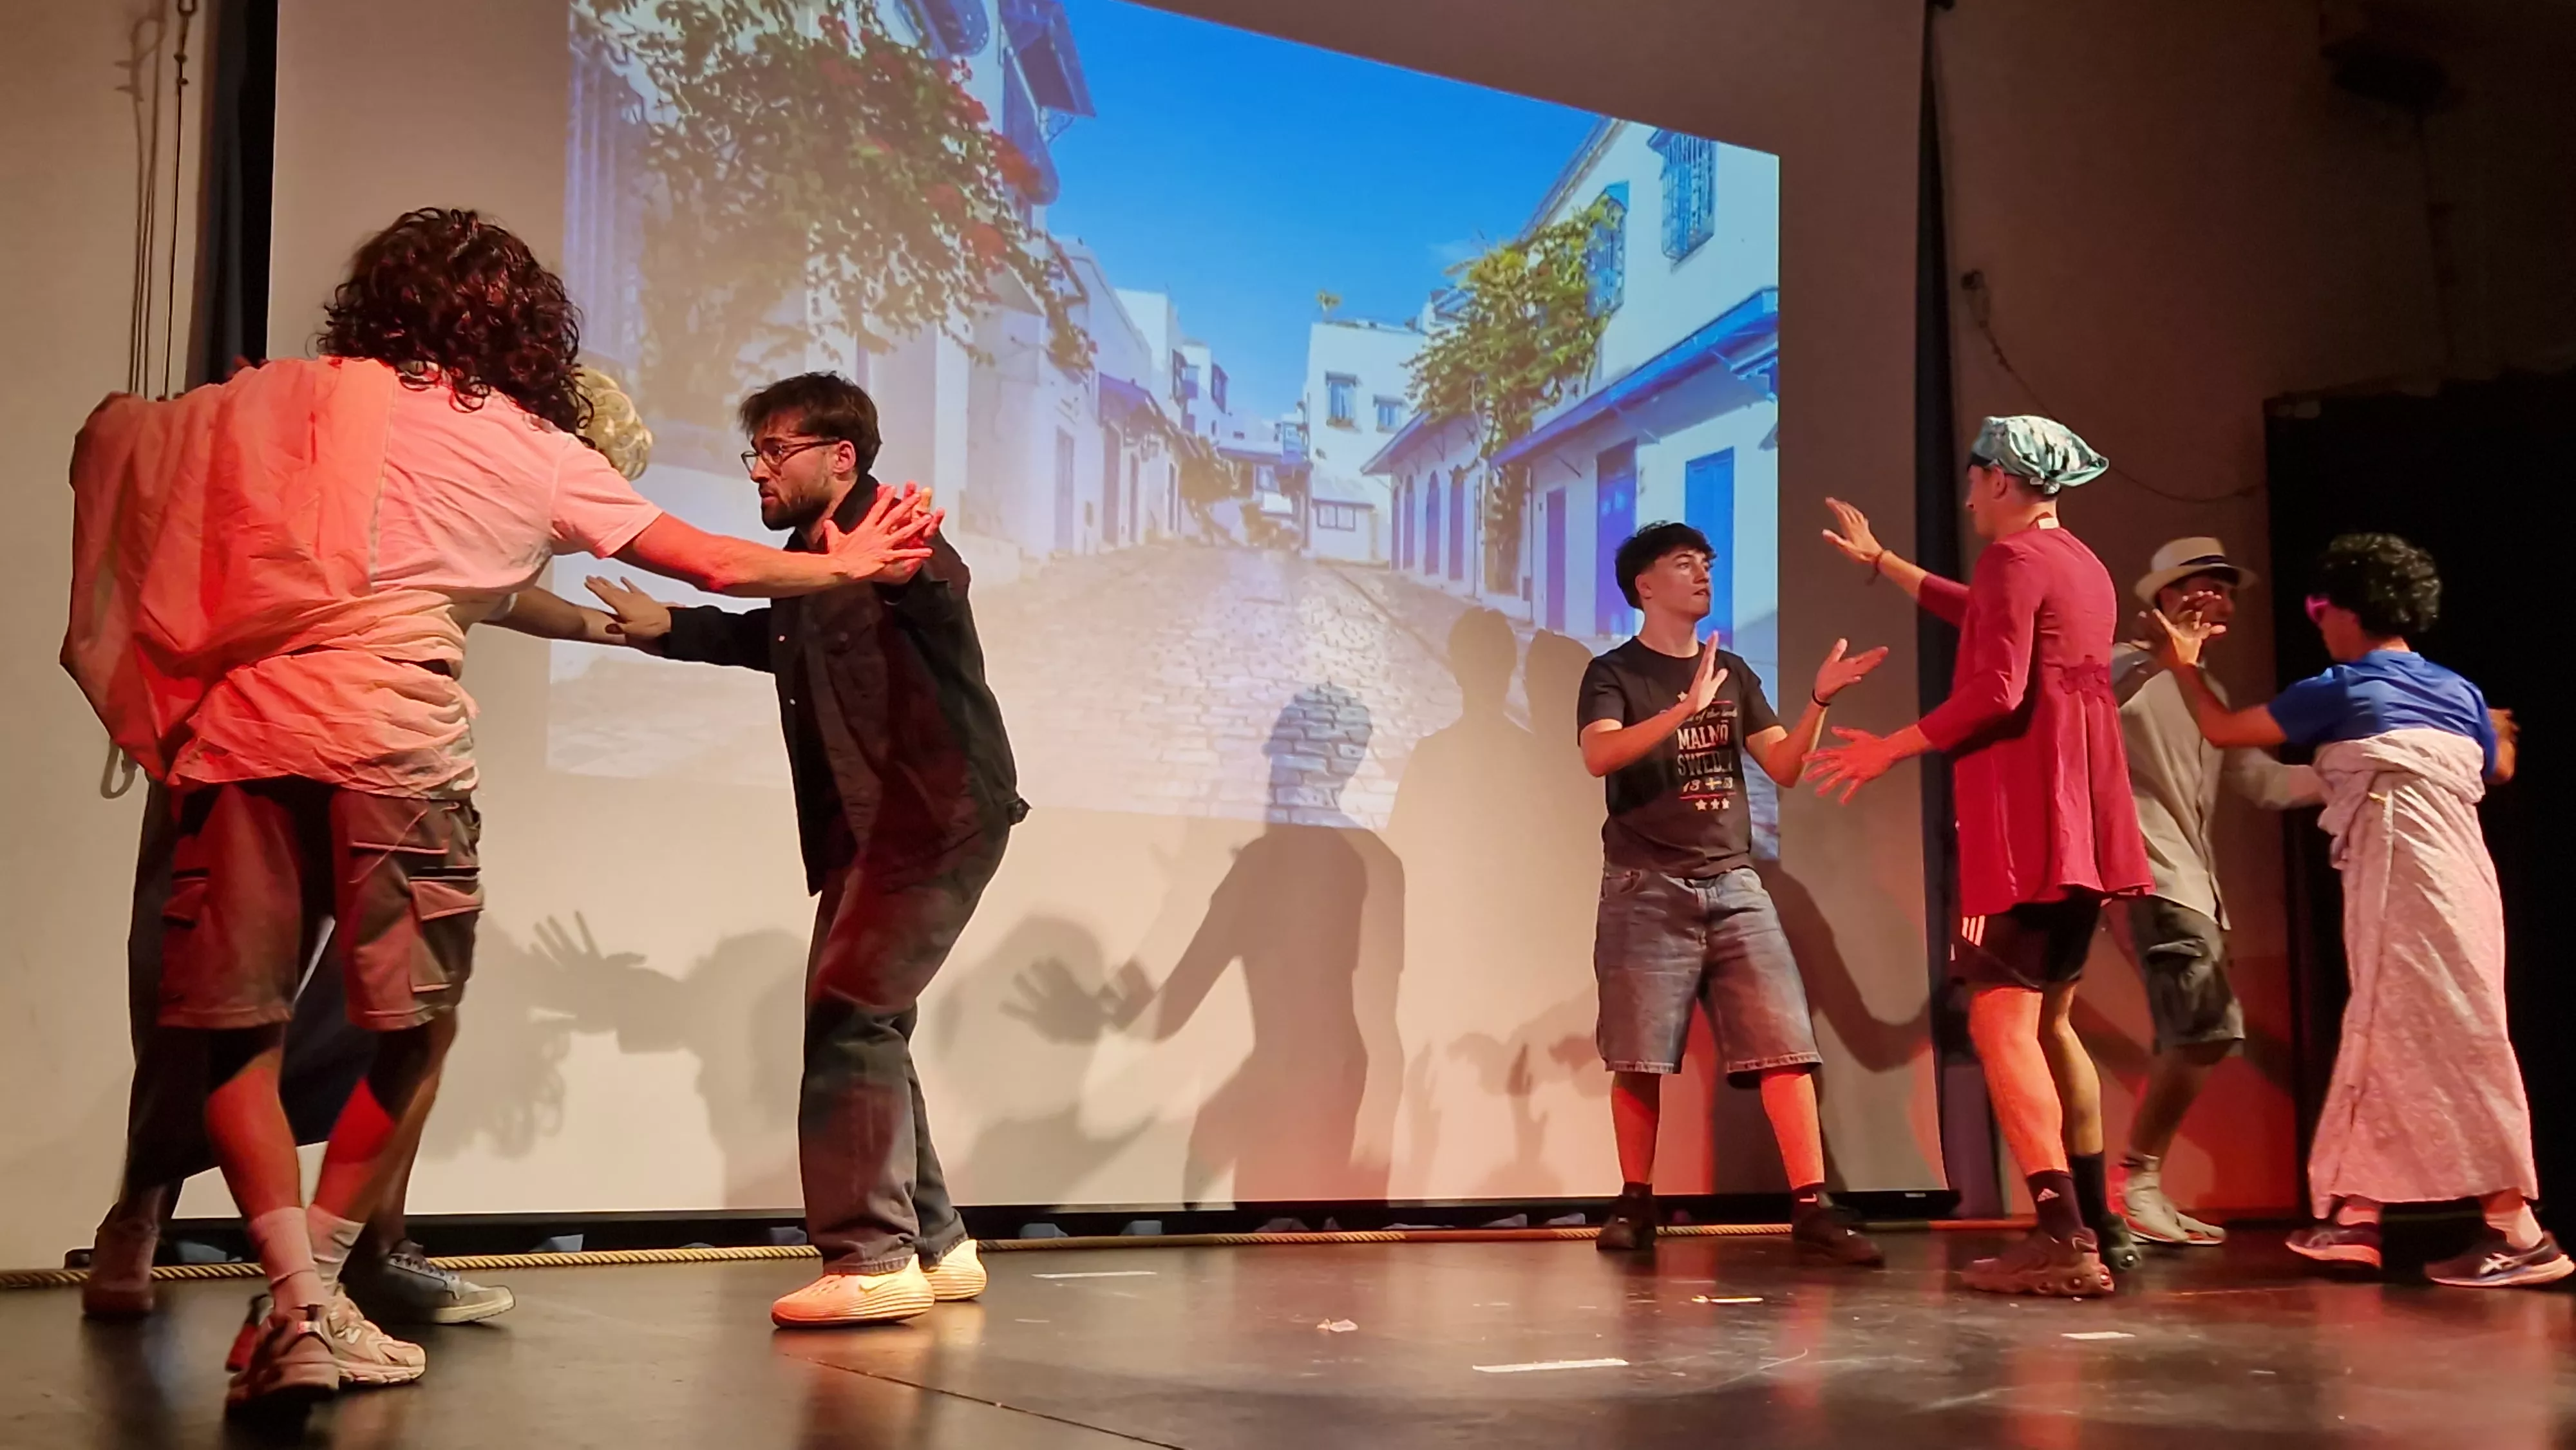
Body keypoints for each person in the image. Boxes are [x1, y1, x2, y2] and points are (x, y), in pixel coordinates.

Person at [62, 209, 936, 1416]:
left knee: (233, 1035)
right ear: (525, 327)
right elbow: (713, 563)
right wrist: (848, 564)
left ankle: (295, 1306)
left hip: (243, 743)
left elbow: (121, 445)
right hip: (390, 749)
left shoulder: (281, 402)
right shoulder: (526, 442)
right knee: (413, 1032)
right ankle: (317, 1285)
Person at [78, 365, 652, 1330]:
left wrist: (605, 627)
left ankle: (366, 1252)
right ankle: (140, 1217)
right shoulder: (391, 450)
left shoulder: (470, 506)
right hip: (247, 747)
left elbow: (501, 596)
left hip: (368, 767)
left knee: (393, 1017)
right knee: (210, 1013)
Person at [580, 372, 1025, 1328]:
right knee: (869, 1019)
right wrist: (670, 630)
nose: (759, 470)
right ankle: (936, 1245)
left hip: (930, 816)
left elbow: (933, 589)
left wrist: (895, 569)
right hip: (872, 826)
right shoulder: (811, 561)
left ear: (842, 456)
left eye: (776, 451)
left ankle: (871, 1257)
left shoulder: (893, 539)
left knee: (851, 1013)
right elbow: (780, 638)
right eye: (757, 453)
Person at [2144, 531, 2562, 1288]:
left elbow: (2224, 730)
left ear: (2344, 611)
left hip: (2407, 870)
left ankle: (2516, 1228)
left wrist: (2181, 665)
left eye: (2320, 610)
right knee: (2394, 1031)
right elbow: (2496, 765)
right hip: (2464, 876)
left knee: (2435, 1035)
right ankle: (2356, 1217)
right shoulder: (2457, 689)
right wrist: (2494, 731)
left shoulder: (2342, 686)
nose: (2318, 624)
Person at [1809, 417, 2152, 1297]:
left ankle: (2063, 1236)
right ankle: (2086, 1224)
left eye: (1972, 481)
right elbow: (1987, 616)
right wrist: (1885, 563)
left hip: (2025, 825)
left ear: (2000, 479)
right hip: (2078, 826)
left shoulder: (2014, 559)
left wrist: (1889, 747)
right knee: (2042, 1022)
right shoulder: (2078, 562)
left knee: (2002, 1024)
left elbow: (1997, 685)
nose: (1966, 499)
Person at [1577, 522, 1890, 1266]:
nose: (1702, 573)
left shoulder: (1735, 672)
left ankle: (1811, 1205)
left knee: (1785, 1044)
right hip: (1645, 883)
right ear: (1644, 585)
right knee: (1639, 1055)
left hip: (1733, 880)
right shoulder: (1613, 671)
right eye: (1684, 563)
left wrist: (1817, 700)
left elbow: (1783, 767)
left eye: (1707, 563)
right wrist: (1680, 712)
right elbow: (1598, 753)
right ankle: (1634, 1201)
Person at [2107, 538, 2324, 1247]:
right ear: (2165, 597)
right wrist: (2158, 656)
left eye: (2226, 590)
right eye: (2204, 586)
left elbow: (2265, 782)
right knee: (2205, 1028)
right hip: (2149, 874)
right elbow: (2087, 712)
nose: (2219, 600)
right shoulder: (2120, 665)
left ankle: (2136, 1188)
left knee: (2190, 1031)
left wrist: (2365, 765)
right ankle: (2134, 1184)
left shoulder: (2212, 695)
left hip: (2193, 885)